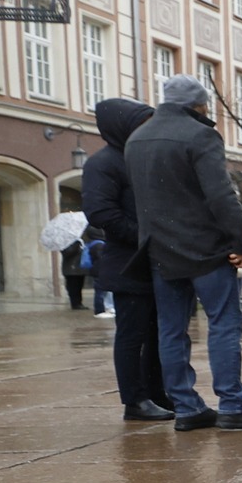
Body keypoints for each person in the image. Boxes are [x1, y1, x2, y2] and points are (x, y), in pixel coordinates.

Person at [128, 75, 242, 432]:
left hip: (161, 252)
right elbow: (221, 196)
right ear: (199, 105)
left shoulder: (137, 138)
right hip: (206, 251)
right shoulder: (200, 134)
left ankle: (185, 407)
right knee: (224, 325)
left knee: (171, 330)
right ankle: (233, 405)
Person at [82, 98, 172, 421]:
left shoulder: (142, 157)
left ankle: (157, 392)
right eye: (142, 122)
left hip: (155, 261)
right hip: (127, 262)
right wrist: (145, 235)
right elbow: (101, 212)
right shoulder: (103, 163)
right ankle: (134, 400)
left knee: (157, 333)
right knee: (132, 334)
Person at [59, 240, 88, 309]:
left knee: (79, 286)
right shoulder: (65, 243)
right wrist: (76, 246)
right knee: (73, 287)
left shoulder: (80, 241)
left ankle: (79, 303)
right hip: (71, 269)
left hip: (79, 268)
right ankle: (75, 303)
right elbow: (67, 252)